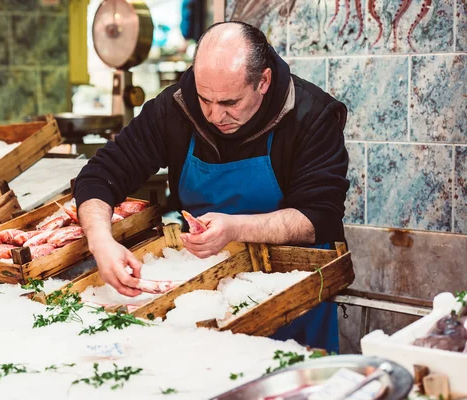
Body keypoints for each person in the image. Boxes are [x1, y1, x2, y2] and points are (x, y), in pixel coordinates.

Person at [73, 21, 350, 353]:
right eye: (205, 99)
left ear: (263, 81)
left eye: (230, 103)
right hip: (204, 287)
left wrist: (234, 227)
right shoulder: (175, 107)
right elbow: (100, 175)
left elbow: (318, 217)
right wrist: (101, 242)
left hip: (290, 284)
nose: (214, 115)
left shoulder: (311, 115)